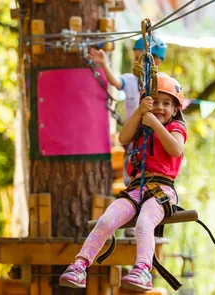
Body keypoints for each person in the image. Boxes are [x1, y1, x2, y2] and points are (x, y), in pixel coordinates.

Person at [59, 74, 186, 292]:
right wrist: (139, 113)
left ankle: (143, 270)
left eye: (166, 104)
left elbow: (176, 149)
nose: (159, 107)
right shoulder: (140, 126)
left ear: (175, 110)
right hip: (135, 190)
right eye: (154, 102)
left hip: (161, 190)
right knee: (106, 220)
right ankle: (80, 265)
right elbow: (123, 138)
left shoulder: (175, 128)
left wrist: (155, 123)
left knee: (144, 223)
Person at [89, 36, 168, 187]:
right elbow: (116, 82)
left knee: (151, 167)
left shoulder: (162, 82)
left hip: (153, 135)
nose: (136, 62)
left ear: (156, 62)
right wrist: (105, 64)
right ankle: (132, 188)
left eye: (141, 59)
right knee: (132, 169)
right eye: (135, 58)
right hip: (134, 135)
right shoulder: (131, 80)